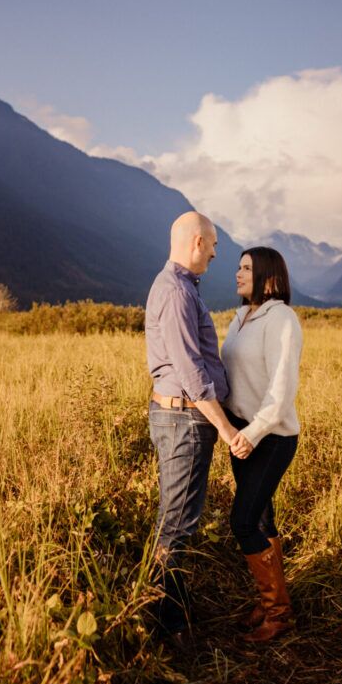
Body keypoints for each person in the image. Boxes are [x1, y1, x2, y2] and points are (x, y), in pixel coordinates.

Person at [145, 211, 238, 644]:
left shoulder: (178, 287)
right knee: (178, 523)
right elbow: (190, 369)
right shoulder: (178, 292)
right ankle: (167, 624)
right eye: (215, 245)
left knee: (176, 518)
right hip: (184, 416)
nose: (217, 254)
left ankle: (168, 611)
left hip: (179, 415)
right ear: (198, 241)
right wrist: (223, 426)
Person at [221, 246, 303, 643]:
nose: (237, 273)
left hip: (269, 438)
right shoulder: (241, 317)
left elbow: (281, 391)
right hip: (239, 433)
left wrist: (251, 435)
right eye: (238, 266)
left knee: (242, 520)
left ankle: (279, 614)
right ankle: (271, 601)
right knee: (262, 520)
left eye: (247, 268)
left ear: (269, 277)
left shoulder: (282, 319)